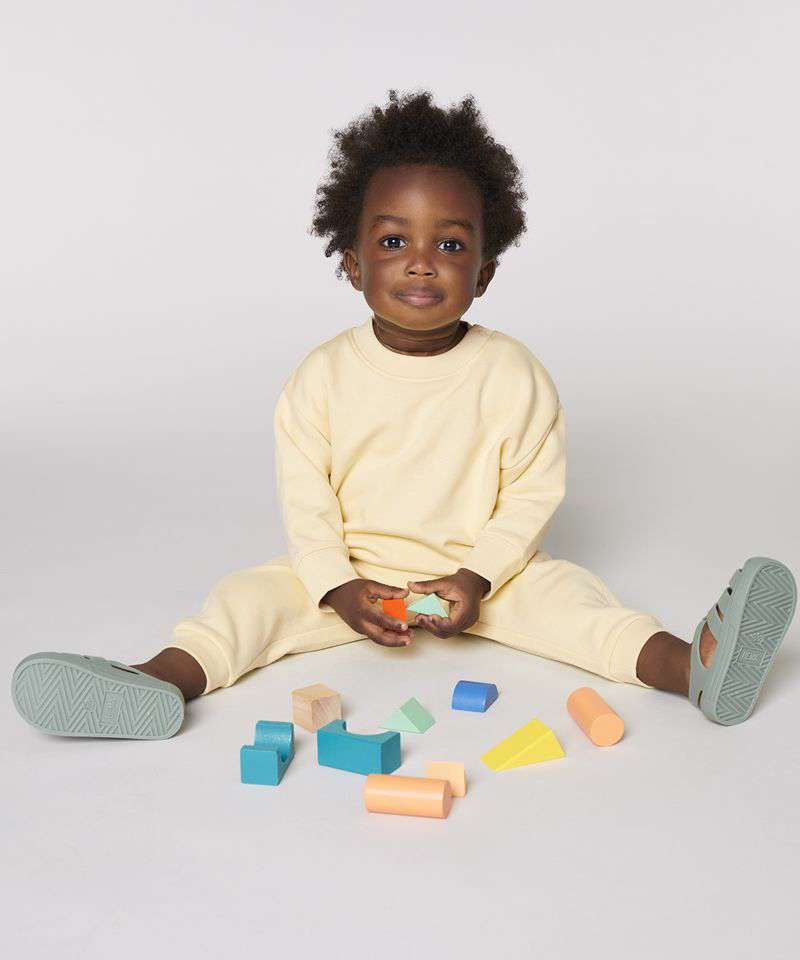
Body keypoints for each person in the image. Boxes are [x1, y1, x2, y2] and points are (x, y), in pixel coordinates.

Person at [11, 89, 796, 740]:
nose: (422, 261)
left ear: (484, 273)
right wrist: (336, 587)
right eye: (393, 241)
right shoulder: (321, 377)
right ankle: (157, 681)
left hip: (481, 579)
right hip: (352, 577)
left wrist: (477, 576)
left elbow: (531, 495)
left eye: (450, 246)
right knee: (244, 603)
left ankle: (692, 665)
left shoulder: (513, 374)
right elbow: (307, 504)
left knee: (577, 606)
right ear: (352, 264)